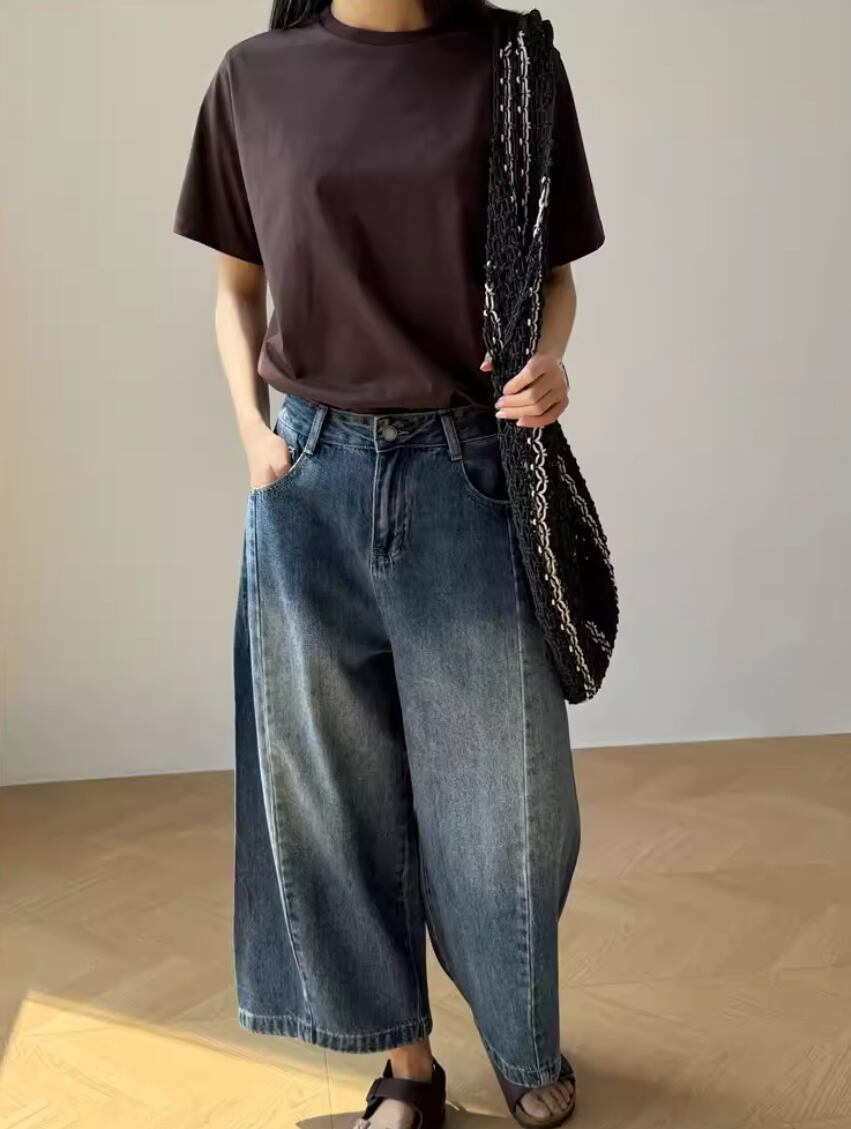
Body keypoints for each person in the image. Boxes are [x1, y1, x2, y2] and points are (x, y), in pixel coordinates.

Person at [173, 1, 604, 1125]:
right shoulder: (254, 77)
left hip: (470, 469)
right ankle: (406, 1066)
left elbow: (554, 274)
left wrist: (551, 360)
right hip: (306, 478)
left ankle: (522, 1040)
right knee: (331, 799)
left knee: (507, 807)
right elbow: (235, 287)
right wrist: (254, 439)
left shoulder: (512, 68)